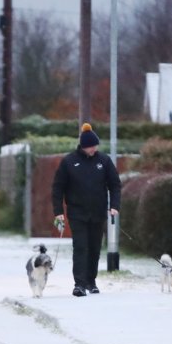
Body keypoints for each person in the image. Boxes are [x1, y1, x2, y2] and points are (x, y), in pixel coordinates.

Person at [52, 123, 121, 297]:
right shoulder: (69, 162)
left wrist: (114, 206)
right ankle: (80, 284)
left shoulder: (104, 161)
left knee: (94, 248)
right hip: (77, 213)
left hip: (98, 213)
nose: (93, 149)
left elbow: (115, 185)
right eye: (90, 146)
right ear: (83, 146)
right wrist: (58, 211)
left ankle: (91, 281)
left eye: (95, 146)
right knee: (81, 247)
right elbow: (58, 188)